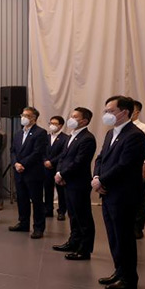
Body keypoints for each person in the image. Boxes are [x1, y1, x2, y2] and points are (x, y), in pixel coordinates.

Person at [93, 95, 145, 289]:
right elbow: (101, 158)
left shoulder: (135, 135)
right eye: (106, 111)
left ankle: (129, 278)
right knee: (113, 235)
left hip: (123, 194)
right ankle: (119, 270)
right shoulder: (111, 133)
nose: (106, 114)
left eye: (110, 111)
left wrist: (102, 180)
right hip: (108, 192)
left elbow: (125, 165)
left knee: (124, 237)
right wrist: (97, 177)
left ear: (124, 112)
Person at [52, 107, 97, 260]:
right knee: (72, 215)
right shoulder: (72, 135)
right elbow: (63, 157)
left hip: (79, 183)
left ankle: (84, 249)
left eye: (75, 117)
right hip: (67, 181)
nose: (71, 119)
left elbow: (79, 162)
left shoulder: (87, 138)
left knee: (83, 216)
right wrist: (59, 172)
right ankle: (73, 242)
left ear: (84, 121)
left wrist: (62, 174)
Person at [9, 106, 49, 238]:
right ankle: (23, 223)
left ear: (34, 118)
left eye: (26, 115)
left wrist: (23, 164)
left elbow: (38, 152)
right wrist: (15, 163)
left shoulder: (40, 132)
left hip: (33, 172)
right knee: (22, 199)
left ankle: (38, 227)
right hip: (19, 172)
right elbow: (13, 150)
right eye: (22, 115)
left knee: (37, 201)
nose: (23, 118)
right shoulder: (18, 133)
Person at [131, 100, 145, 239]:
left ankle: (138, 227)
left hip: (139, 166)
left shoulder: (144, 128)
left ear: (137, 112)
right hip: (125, 168)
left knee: (139, 197)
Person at [43, 116, 69, 220]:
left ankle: (61, 211)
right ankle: (48, 209)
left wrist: (52, 162)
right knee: (47, 189)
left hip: (59, 167)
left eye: (55, 123)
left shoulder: (65, 138)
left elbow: (64, 153)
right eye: (50, 123)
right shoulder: (46, 137)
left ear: (60, 125)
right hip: (46, 167)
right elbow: (41, 151)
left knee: (61, 191)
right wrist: (45, 161)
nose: (52, 125)